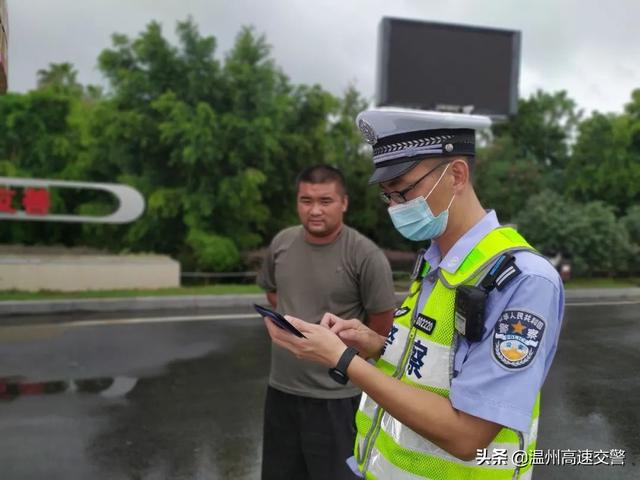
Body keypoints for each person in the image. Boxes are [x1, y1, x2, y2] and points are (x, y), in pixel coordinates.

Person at [261, 109, 565, 480]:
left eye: (404, 190)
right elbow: (435, 365)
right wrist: (372, 343)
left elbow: (468, 436)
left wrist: (343, 359)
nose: (396, 207)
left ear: (456, 175)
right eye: (388, 196)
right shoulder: (436, 259)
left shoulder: (523, 280)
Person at [257, 164, 397, 480]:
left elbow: (382, 326)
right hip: (281, 392)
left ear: (344, 203)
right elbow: (273, 294)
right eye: (306, 201)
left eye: (326, 201)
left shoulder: (365, 255)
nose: (315, 210)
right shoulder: (282, 243)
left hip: (337, 399)